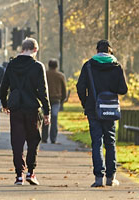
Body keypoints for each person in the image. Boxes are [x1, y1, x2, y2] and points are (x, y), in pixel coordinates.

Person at [75, 40, 127, 187]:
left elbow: (80, 87)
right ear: (110, 51)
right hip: (110, 108)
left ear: (97, 50)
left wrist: (86, 102)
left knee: (96, 142)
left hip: (93, 108)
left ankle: (99, 177)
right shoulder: (116, 66)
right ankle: (111, 177)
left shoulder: (89, 65)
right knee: (110, 141)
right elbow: (123, 89)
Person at [0, 38, 51, 185]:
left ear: (22, 49)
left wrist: (5, 104)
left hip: (16, 108)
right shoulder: (37, 66)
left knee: (17, 141)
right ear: (35, 50)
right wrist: (47, 111)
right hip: (32, 108)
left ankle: (18, 175)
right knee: (33, 140)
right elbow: (43, 91)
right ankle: (31, 172)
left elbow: (3, 87)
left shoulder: (12, 64)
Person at [45, 59, 67, 144]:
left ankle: (44, 137)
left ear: (49, 65)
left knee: (45, 117)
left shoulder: (45, 74)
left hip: (46, 99)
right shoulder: (61, 76)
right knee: (54, 118)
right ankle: (53, 138)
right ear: (56, 66)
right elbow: (64, 89)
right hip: (56, 99)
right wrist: (63, 99)